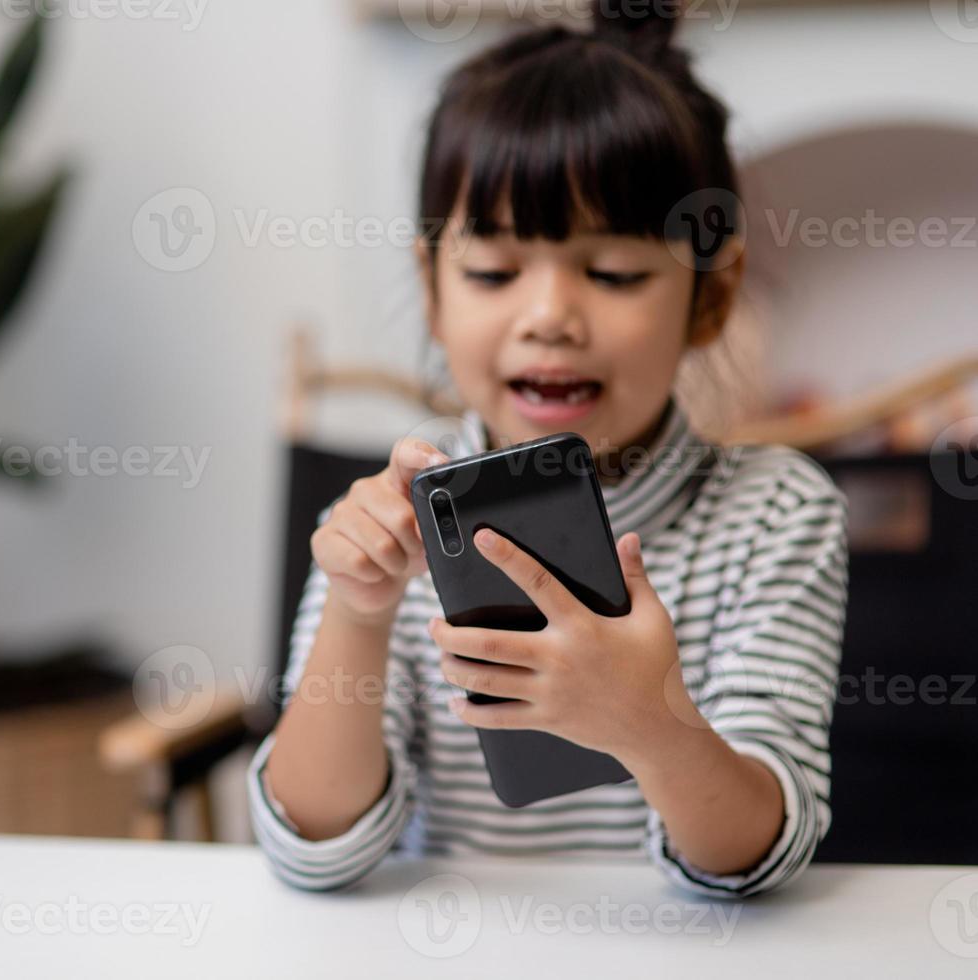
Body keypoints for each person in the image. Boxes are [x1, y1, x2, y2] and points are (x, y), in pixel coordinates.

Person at [248, 2, 849, 899]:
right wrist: (360, 616)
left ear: (711, 298)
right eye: (493, 272)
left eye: (614, 273)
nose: (550, 318)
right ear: (433, 289)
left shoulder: (775, 517)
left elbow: (754, 853)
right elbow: (314, 842)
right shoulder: (385, 529)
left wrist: (648, 726)